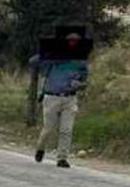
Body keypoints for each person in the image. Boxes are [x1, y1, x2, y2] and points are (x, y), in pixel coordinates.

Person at [31, 33, 89, 169]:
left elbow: (84, 79)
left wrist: (79, 84)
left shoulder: (81, 61)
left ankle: (62, 158)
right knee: (48, 129)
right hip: (52, 97)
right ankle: (40, 148)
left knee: (66, 130)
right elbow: (33, 62)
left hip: (70, 98)